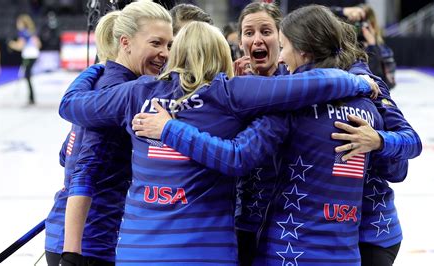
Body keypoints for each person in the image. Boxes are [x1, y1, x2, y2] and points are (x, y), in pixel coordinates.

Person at [58, 21, 377, 264]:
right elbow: (307, 85)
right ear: (222, 52)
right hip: (207, 252)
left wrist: (100, 66)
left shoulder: (136, 94)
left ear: (176, 52)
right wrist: (359, 81)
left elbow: (71, 104)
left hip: (138, 251)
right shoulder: (231, 94)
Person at [131, 5, 421, 266]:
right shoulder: (356, 92)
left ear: (300, 47)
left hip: (336, 238)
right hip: (323, 242)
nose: (264, 43)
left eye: (273, 37)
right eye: (248, 32)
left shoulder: (313, 98)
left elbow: (237, 156)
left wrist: (379, 141)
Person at [43, 1, 173, 265]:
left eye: (169, 45)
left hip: (83, 236)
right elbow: (84, 170)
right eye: (156, 43)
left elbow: (64, 154)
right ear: (125, 42)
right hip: (87, 246)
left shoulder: (106, 83)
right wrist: (71, 254)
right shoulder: (120, 94)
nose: (165, 54)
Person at [8, 14, 41, 105]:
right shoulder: (32, 31)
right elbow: (38, 44)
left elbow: (20, 46)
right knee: (27, 75)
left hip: (28, 56)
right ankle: (31, 97)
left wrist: (11, 44)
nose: (17, 25)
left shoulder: (22, 32)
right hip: (34, 55)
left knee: (27, 75)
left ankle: (32, 98)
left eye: (18, 23)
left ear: (22, 23)